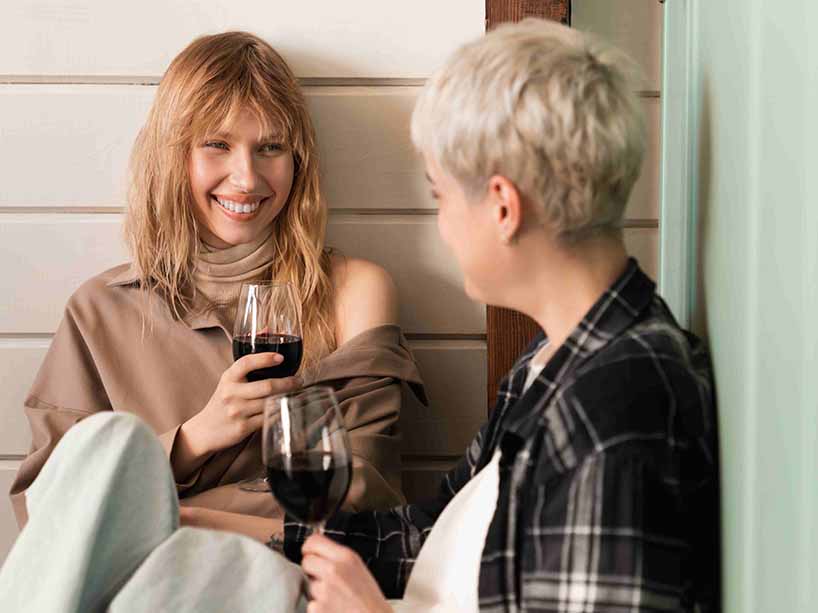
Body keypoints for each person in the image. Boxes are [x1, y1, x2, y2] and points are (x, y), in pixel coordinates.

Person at [1, 19, 719, 613]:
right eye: (216, 144)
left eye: (438, 196)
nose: (437, 227)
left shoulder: (617, 401)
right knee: (130, 483)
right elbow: (420, 534)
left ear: (501, 207)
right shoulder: (547, 368)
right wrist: (180, 504)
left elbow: (383, 496)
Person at [8, 31, 425, 541]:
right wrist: (190, 442)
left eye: (270, 147)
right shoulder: (98, 312)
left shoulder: (353, 292)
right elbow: (49, 513)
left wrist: (167, 515)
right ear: (173, 156)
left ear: (299, 161)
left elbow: (360, 500)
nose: (246, 178)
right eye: (217, 145)